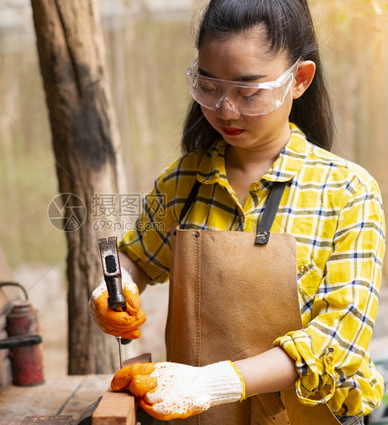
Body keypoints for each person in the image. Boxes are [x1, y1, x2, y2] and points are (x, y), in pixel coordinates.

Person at [89, 1, 385, 424]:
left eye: (248, 92)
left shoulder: (348, 191)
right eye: (210, 87)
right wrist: (114, 290)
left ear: (298, 80)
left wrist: (211, 384)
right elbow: (137, 257)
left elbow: (339, 340)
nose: (225, 110)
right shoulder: (182, 182)